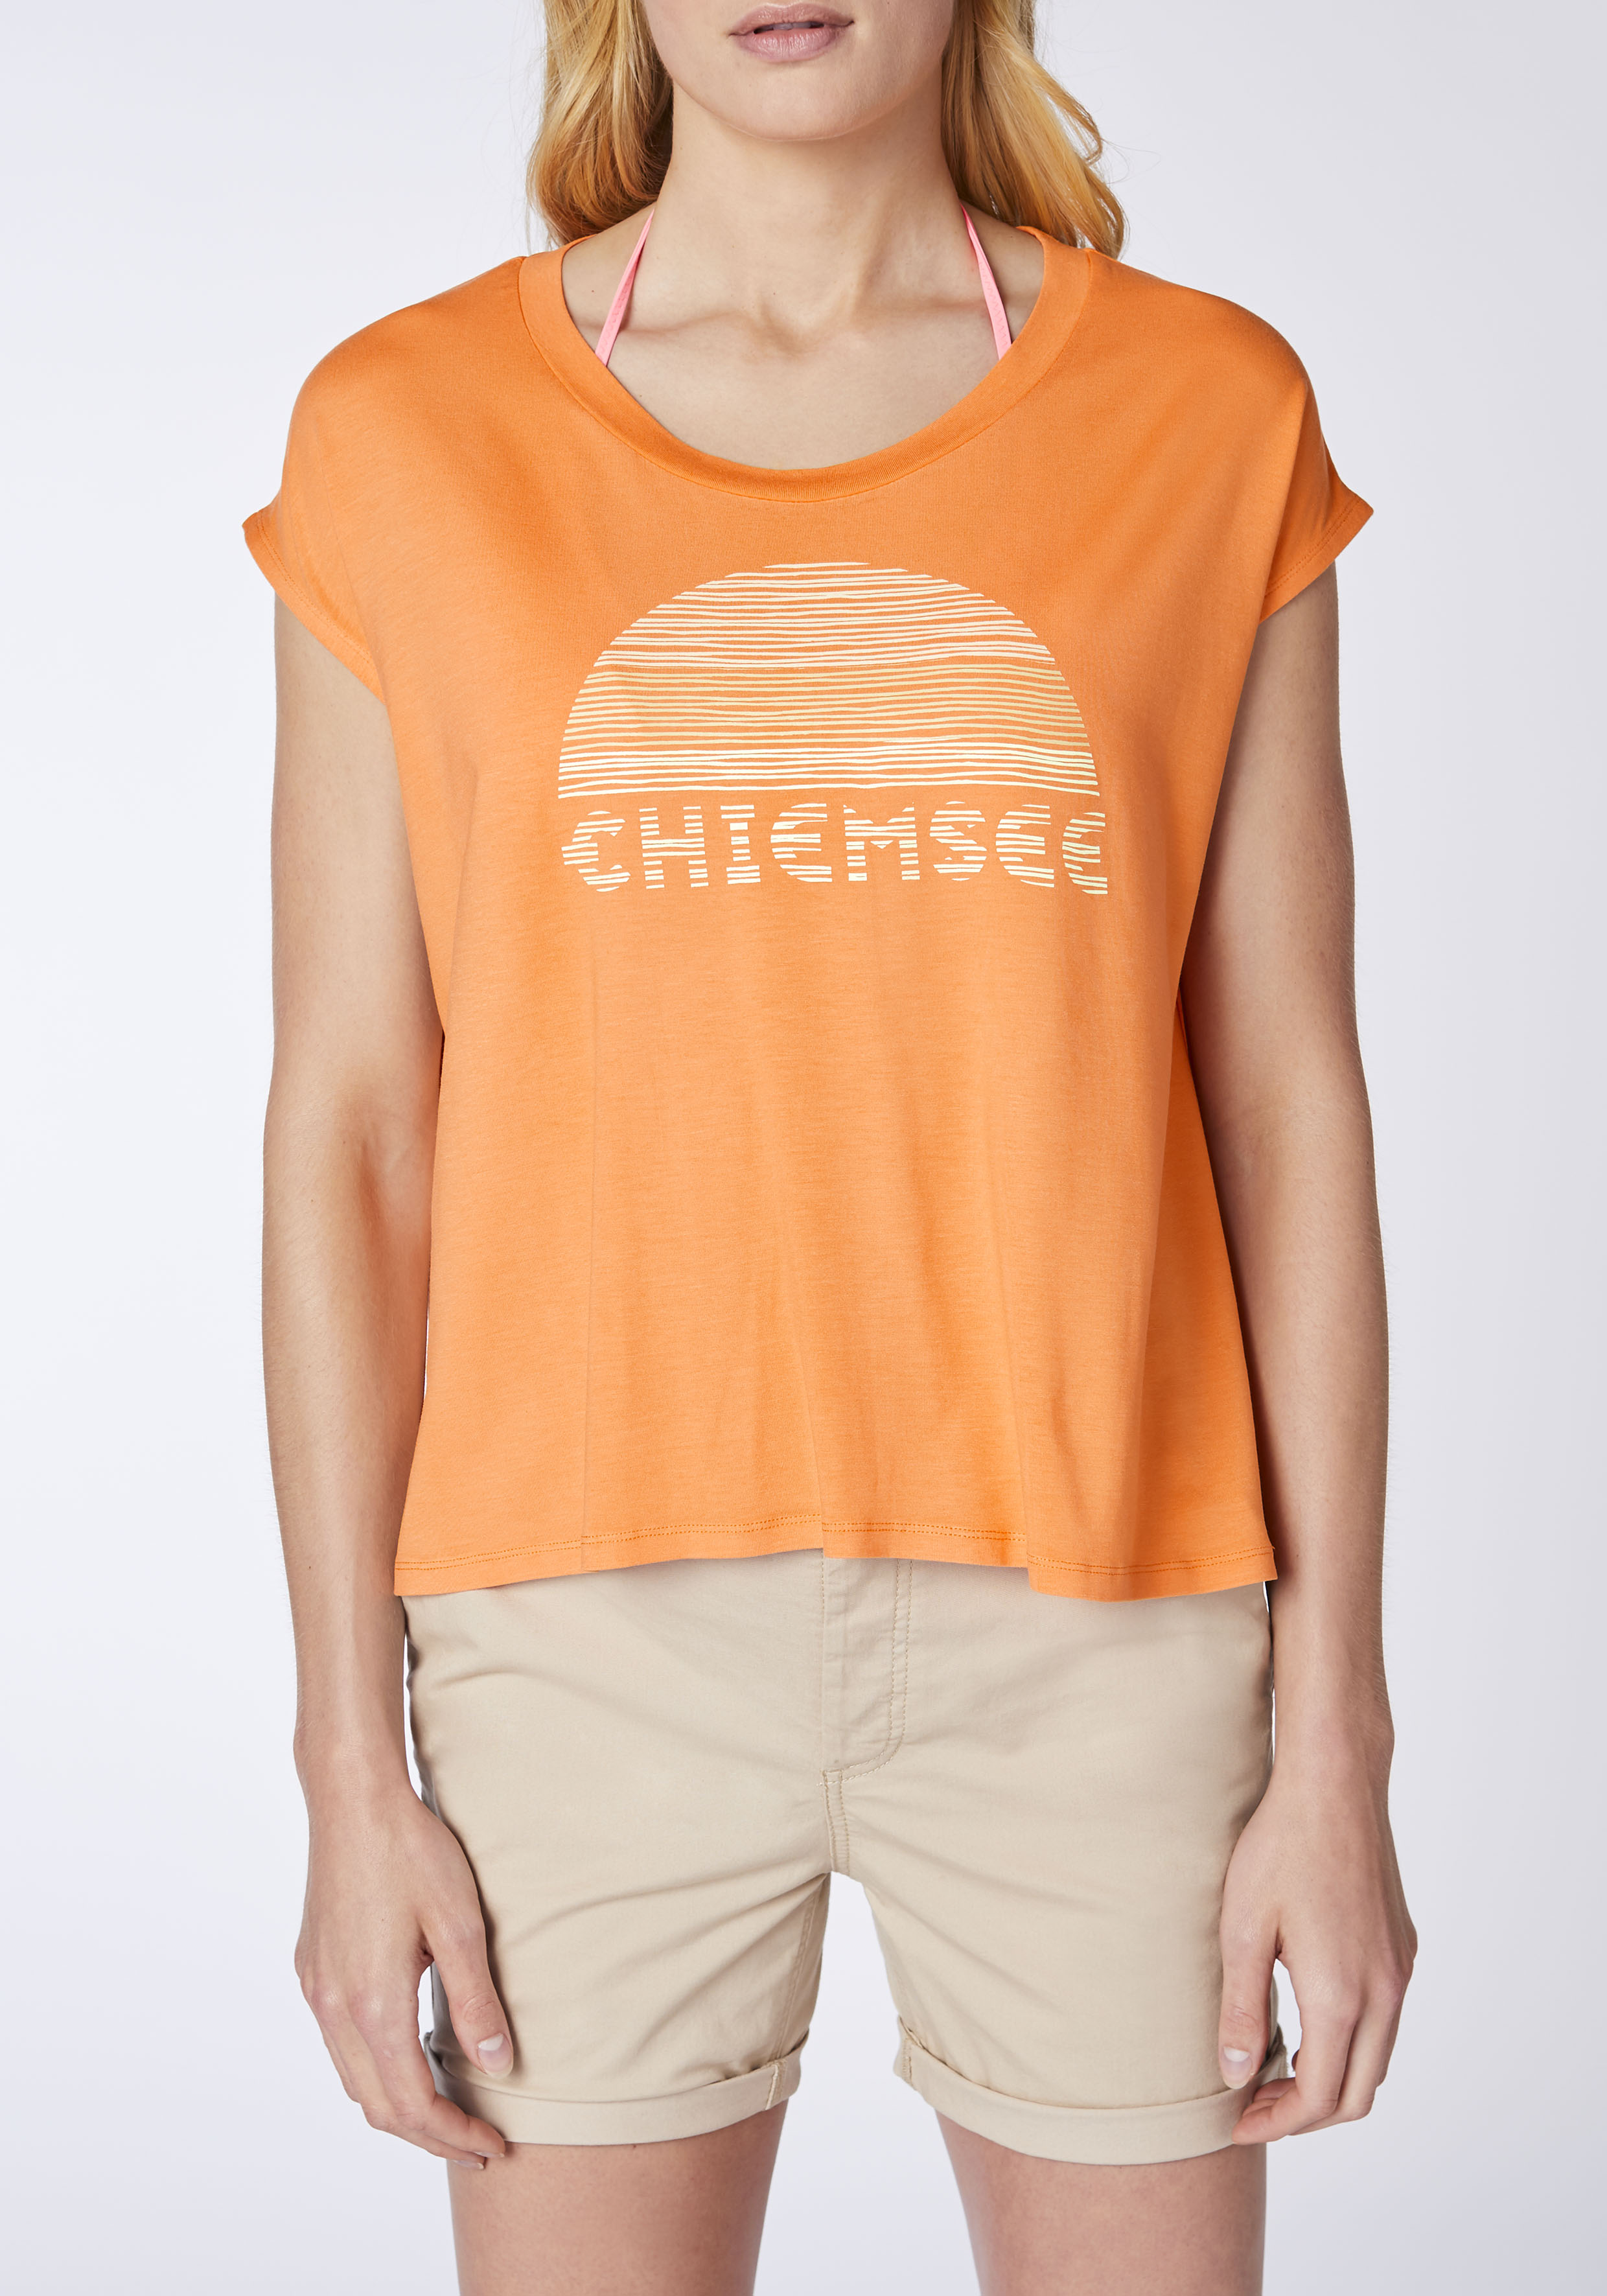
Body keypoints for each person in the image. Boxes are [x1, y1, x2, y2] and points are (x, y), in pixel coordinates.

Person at [249, 0, 1415, 2288]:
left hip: (1109, 1617)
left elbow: (1288, 1095)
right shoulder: (403, 429)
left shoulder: (1207, 411)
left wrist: (1339, 1736)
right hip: (577, 1630)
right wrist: (343, 1769)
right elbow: (355, 1129)